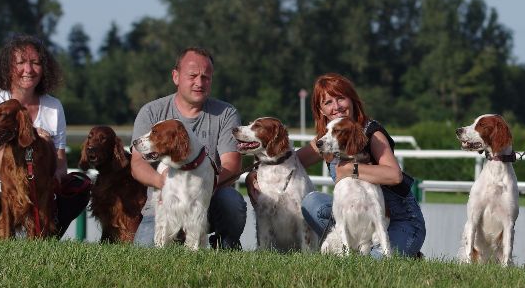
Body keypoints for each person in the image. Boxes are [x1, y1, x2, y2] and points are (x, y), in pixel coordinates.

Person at [247, 73, 426, 258]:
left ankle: (406, 250)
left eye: (341, 98)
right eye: (328, 102)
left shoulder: (371, 133)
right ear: (321, 110)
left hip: (399, 220)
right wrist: (255, 173)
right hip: (358, 218)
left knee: (375, 262)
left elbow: (394, 175)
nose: (336, 107)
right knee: (311, 202)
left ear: (352, 100)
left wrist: (352, 169)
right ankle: (351, 246)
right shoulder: (327, 140)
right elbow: (290, 160)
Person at [0, 34, 91, 236]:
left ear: (44, 69)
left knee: (79, 186)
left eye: (35, 63)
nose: (28, 70)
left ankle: (45, 234)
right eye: (20, 63)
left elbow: (61, 164)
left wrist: (51, 182)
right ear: (9, 68)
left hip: (33, 187)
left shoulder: (54, 107)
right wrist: (27, 136)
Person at [131, 47, 246, 249]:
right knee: (145, 252)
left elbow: (232, 164)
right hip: (161, 206)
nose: (199, 83)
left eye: (206, 77)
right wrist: (161, 181)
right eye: (192, 76)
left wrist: (203, 185)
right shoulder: (152, 111)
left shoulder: (226, 113)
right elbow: (137, 164)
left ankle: (226, 246)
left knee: (232, 201)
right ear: (176, 76)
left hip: (207, 203)